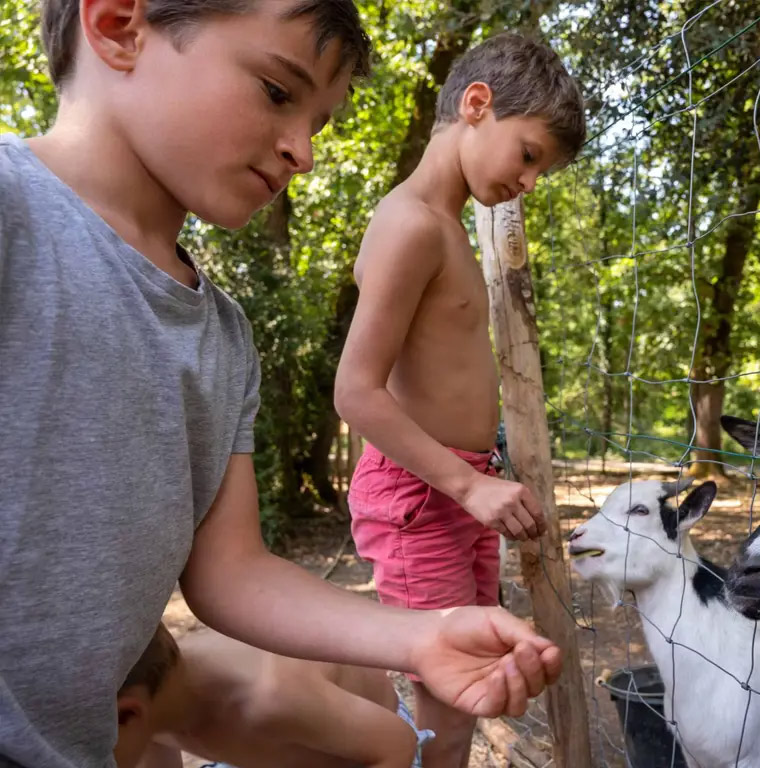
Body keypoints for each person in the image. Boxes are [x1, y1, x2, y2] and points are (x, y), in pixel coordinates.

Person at [0, 4, 562, 767]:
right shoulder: (15, 218)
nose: (303, 153)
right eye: (274, 91)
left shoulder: (222, 337)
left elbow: (231, 572)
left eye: (320, 125)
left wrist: (422, 636)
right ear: (120, 25)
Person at [333, 33, 585, 767]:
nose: (531, 181)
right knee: (448, 705)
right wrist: (467, 483)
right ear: (477, 106)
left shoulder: (445, 227)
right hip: (422, 496)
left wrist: (481, 473)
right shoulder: (412, 224)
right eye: (530, 154)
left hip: (458, 488)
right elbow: (355, 390)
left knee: (470, 689)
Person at [114, 623, 433, 768]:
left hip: (369, 751)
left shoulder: (270, 698)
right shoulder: (148, 715)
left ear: (128, 715)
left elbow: (396, 745)